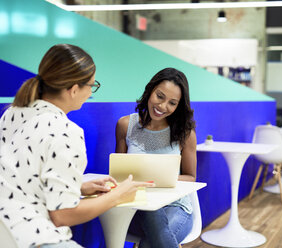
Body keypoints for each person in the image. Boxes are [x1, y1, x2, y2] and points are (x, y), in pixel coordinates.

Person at [0, 44, 153, 248]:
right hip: (36, 239)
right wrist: (117, 196)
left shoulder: (11, 114)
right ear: (73, 90)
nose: (91, 92)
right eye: (92, 85)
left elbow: (19, 178)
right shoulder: (65, 131)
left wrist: (78, 187)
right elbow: (63, 215)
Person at [115, 67, 197, 248]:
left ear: (179, 106)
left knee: (151, 241)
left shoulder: (185, 133)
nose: (162, 107)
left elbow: (191, 177)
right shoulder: (125, 125)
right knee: (149, 209)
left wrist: (158, 179)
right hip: (136, 209)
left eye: (172, 103)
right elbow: (118, 173)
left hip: (176, 207)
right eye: (160, 96)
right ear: (150, 90)